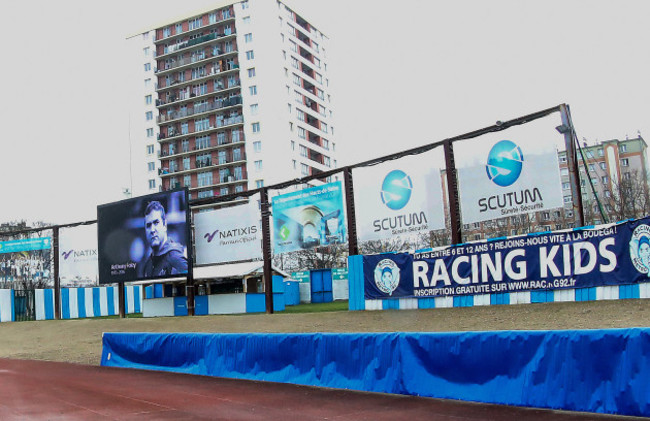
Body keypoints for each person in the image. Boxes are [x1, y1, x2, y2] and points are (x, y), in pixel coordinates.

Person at [136, 201, 188, 278]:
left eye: (156, 222)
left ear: (165, 225)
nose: (152, 230)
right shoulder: (147, 264)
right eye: (148, 225)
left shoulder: (175, 258)